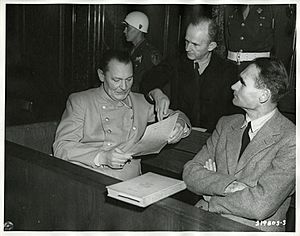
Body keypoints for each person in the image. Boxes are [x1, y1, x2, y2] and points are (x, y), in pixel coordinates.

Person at [182, 57, 295, 232]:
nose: (233, 86)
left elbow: (260, 205)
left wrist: (212, 195)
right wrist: (231, 186)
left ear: (263, 95)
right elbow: (190, 172)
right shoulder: (226, 124)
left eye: (242, 83)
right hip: (205, 221)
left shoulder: (291, 139)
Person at [53, 50, 191, 181]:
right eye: (116, 80)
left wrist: (179, 125)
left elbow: (178, 115)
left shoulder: (139, 102)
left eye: (129, 79)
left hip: (130, 181)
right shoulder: (81, 101)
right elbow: (61, 146)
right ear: (101, 75)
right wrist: (102, 157)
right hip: (91, 179)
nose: (124, 87)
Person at [141, 16, 241, 133]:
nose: (188, 48)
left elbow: (235, 116)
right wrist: (157, 93)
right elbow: (147, 80)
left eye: (195, 44)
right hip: (180, 134)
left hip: (213, 137)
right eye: (186, 41)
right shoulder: (176, 61)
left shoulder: (228, 71)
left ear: (211, 46)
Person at [224, 4, 295, 72]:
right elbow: (227, 42)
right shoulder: (231, 6)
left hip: (259, 72)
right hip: (231, 70)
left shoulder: (276, 6)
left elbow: (283, 49)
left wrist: (272, 77)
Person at [123, 11, 162, 93]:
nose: (124, 31)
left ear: (138, 29)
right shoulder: (131, 51)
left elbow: (156, 82)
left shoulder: (150, 52)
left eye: (128, 28)